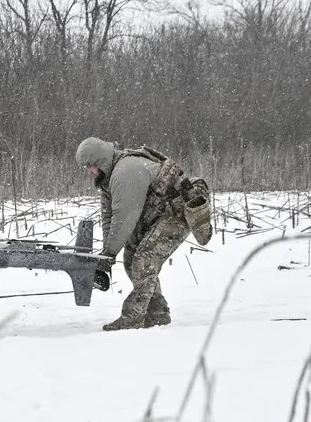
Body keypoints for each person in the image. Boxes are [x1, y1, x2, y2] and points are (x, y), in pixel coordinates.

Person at [74, 136, 211, 331]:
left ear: (101, 160)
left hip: (177, 212)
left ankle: (133, 316)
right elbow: (109, 218)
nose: (91, 172)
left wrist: (110, 253)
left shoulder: (125, 171)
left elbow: (125, 217)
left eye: (92, 166)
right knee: (131, 259)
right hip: (159, 213)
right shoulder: (108, 179)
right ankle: (157, 313)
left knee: (144, 260)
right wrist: (107, 252)